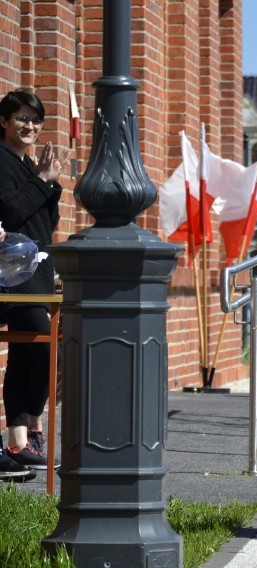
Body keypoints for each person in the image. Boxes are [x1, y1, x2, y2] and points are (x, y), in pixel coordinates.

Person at [0, 89, 68, 476]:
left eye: (35, 120)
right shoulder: (3, 160)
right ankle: (22, 436)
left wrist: (50, 185)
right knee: (41, 351)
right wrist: (44, 181)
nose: (30, 126)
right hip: (13, 277)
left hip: (38, 273)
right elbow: (8, 212)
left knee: (34, 355)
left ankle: (23, 439)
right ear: (4, 122)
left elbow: (46, 224)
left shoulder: (28, 165)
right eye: (22, 119)